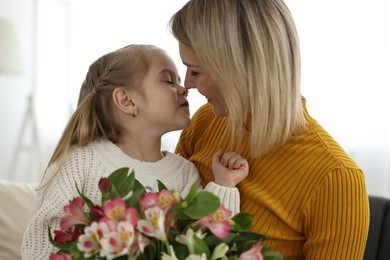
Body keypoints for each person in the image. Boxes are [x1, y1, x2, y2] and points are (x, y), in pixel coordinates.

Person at [169, 0, 370, 259]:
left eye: (194, 71)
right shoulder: (204, 122)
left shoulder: (336, 177)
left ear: (238, 67)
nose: (188, 84)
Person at [21, 44, 249, 259]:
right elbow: (41, 242)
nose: (184, 89)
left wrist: (224, 184)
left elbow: (207, 243)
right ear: (126, 100)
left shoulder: (184, 172)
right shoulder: (80, 163)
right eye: (169, 81)